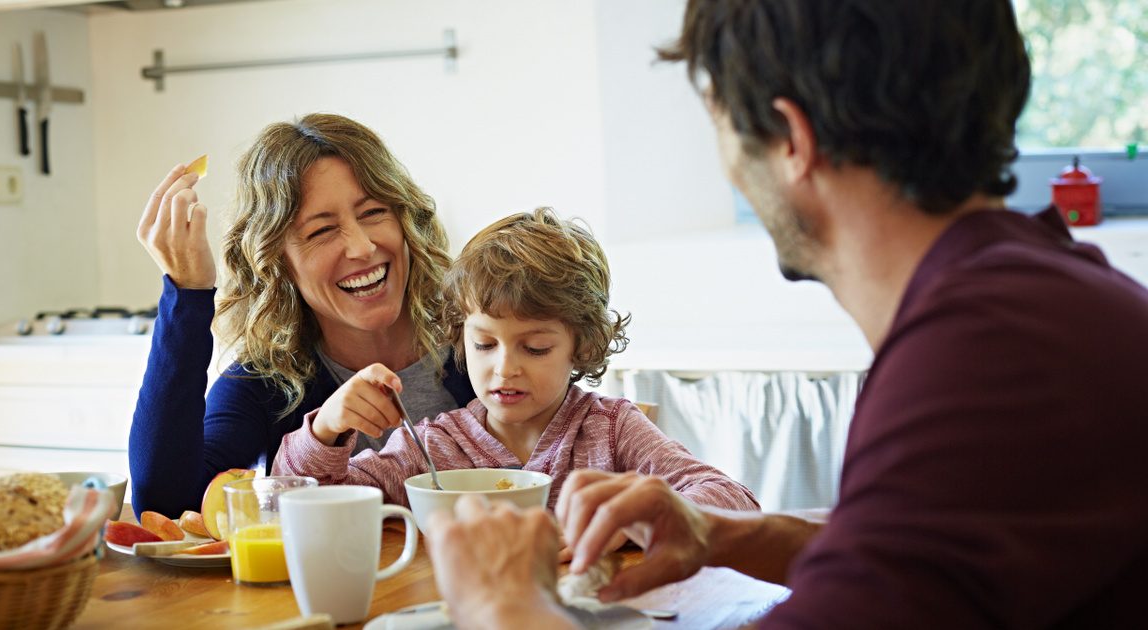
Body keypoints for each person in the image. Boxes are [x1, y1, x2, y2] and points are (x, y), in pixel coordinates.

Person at [424, 1, 1148, 628]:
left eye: (718, 124)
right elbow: (908, 553)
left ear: (789, 138)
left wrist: (504, 609)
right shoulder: (1039, 300)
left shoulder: (983, 364)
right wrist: (725, 532)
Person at [273, 208, 758, 528]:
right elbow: (300, 507)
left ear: (580, 345)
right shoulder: (436, 446)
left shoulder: (610, 430)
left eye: (536, 348)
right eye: (484, 345)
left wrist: (638, 519)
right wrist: (329, 432)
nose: (505, 368)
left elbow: (732, 501)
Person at [129, 113, 474, 518]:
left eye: (373, 213)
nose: (362, 247)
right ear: (279, 263)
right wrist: (187, 295)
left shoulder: (484, 346)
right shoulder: (267, 382)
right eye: (321, 231)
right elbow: (167, 504)